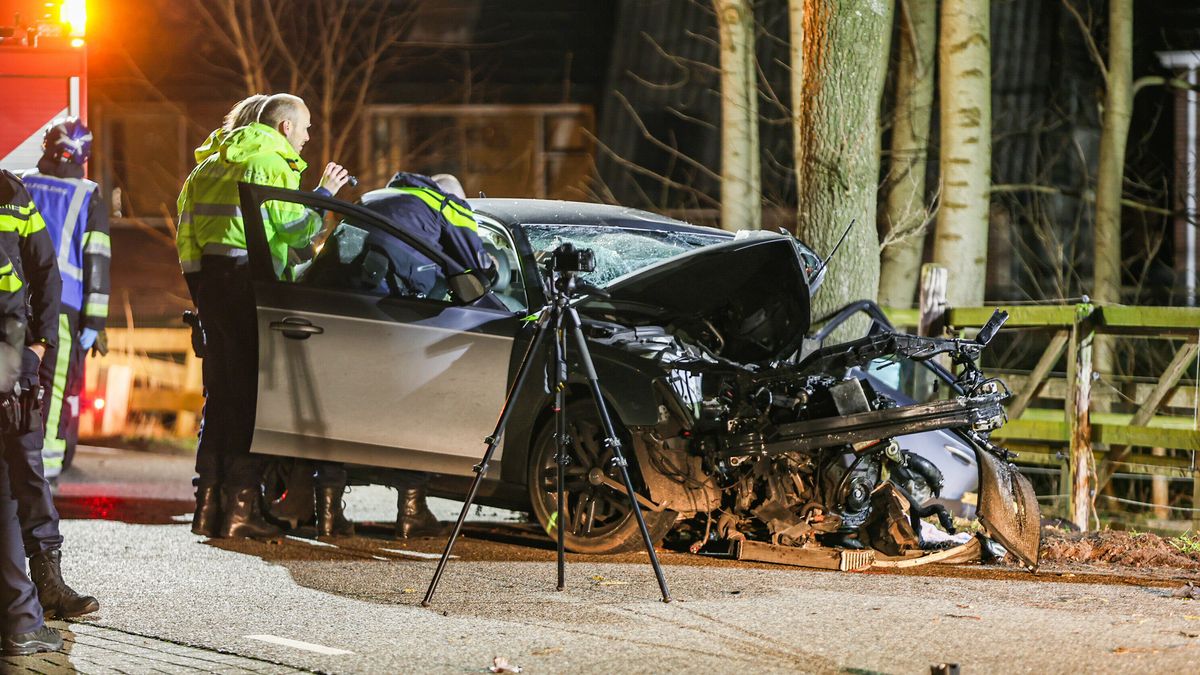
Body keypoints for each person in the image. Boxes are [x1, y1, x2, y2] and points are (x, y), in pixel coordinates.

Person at [175, 93, 349, 539]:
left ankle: (207, 505)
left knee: (222, 397)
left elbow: (187, 239)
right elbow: (295, 234)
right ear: (285, 127)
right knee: (252, 400)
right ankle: (240, 510)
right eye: (306, 127)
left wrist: (203, 294)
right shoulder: (272, 161)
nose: (309, 137)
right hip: (251, 285)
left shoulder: (208, 165)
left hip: (212, 287)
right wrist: (325, 197)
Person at [359, 172, 493, 538]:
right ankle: (411, 510)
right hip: (400, 312)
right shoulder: (449, 205)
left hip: (347, 309)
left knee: (344, 407)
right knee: (417, 408)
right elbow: (475, 270)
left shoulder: (377, 197)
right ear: (457, 196)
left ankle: (325, 514)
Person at [21, 118, 111, 484]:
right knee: (54, 386)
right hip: (62, 307)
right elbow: (98, 260)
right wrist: (95, 323)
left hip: (14, 302)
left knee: (10, 379)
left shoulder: (20, 182)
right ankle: (47, 467)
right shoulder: (88, 194)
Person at [0, 169, 65, 654]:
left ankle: (38, 596)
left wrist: (40, 345)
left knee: (21, 471)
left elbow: (44, 272)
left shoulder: (11, 192)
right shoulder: (8, 189)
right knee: (15, 475)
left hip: (12, 351)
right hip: (9, 351)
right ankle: (22, 617)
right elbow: (44, 270)